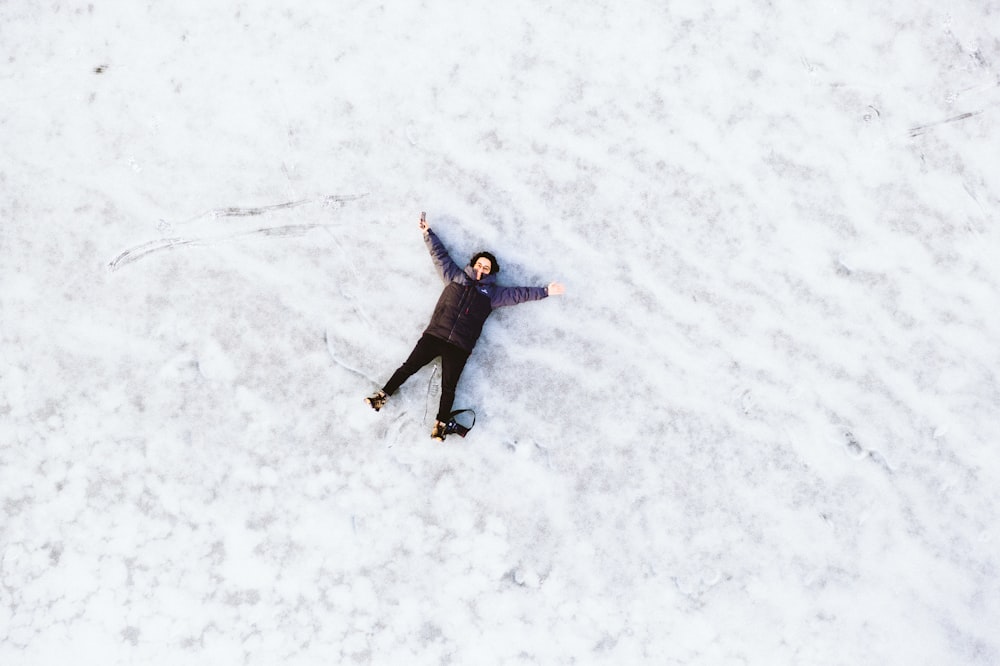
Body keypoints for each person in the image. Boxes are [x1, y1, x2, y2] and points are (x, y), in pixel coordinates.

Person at [365, 213, 565, 440]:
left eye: (486, 267)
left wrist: (546, 291)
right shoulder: (455, 277)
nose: (482, 268)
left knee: (448, 387)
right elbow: (440, 256)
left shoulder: (493, 295)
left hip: (459, 346)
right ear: (473, 264)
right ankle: (382, 396)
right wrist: (427, 233)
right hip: (434, 336)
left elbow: (519, 294)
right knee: (408, 367)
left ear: (492, 272)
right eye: (480, 264)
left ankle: (439, 425)